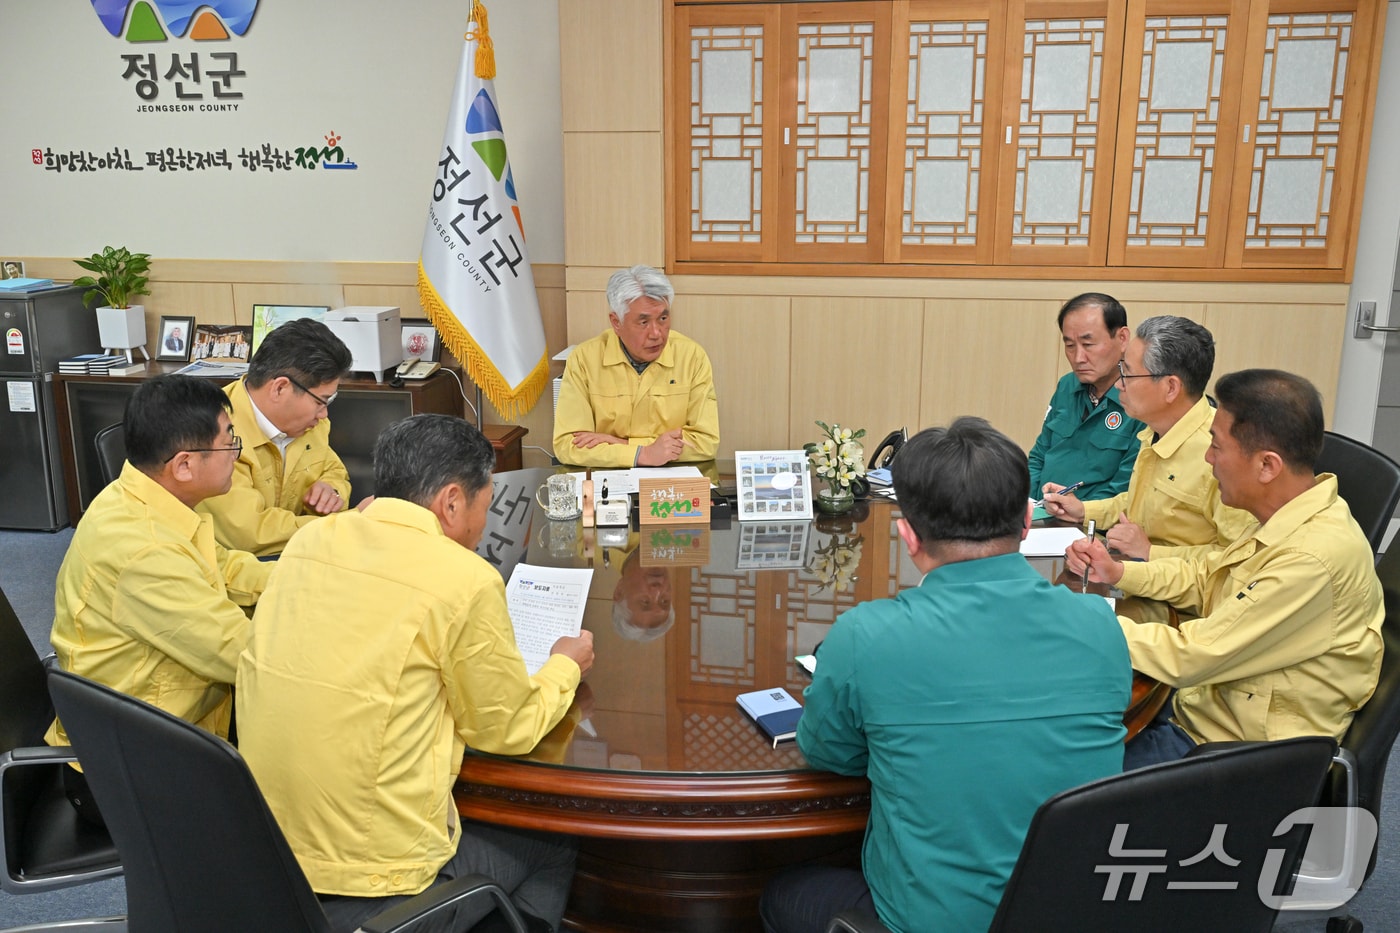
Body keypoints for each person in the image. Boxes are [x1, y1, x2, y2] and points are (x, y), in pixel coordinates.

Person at [760, 418, 1130, 933]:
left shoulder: (866, 637)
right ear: (1026, 521)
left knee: (783, 891)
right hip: (1073, 912)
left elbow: (829, 754)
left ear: (907, 535)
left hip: (931, 922)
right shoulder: (1099, 625)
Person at [236, 415, 595, 933]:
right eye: (484, 506)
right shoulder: (463, 577)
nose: (482, 526)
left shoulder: (310, 543)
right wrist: (565, 664)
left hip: (268, 858)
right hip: (378, 883)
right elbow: (506, 729)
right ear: (451, 501)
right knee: (552, 840)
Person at [1067, 370, 1384, 769]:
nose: (1207, 457)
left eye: (1217, 446)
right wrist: (1120, 573)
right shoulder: (1287, 514)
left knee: (1061, 772)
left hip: (1235, 755)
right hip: (1207, 702)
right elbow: (1208, 573)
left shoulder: (1310, 559)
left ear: (1267, 466)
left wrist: (1077, 619)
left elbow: (1191, 656)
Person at [47, 375, 269, 825]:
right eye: (230, 444)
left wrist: (309, 577)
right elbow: (245, 654)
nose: (237, 454)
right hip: (127, 769)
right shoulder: (143, 550)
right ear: (184, 464)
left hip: (160, 730)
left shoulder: (141, 496)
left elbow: (224, 567)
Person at [1042, 315, 1252, 559]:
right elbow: (1140, 504)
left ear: (1170, 388)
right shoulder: (1155, 430)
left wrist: (1152, 552)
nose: (1119, 384)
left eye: (1127, 374)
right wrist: (1083, 511)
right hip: (1135, 576)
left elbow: (1239, 557)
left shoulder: (1221, 454)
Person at [197, 318, 353, 556]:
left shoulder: (312, 424)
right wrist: (346, 525)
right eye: (320, 401)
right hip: (232, 573)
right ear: (280, 388)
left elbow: (334, 470)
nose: (325, 413)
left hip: (297, 554)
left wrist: (332, 491)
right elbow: (249, 534)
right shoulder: (214, 434)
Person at [553, 264, 719, 468]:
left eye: (663, 319)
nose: (656, 333)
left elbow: (706, 443)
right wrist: (644, 453)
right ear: (616, 322)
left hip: (671, 486)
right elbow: (567, 445)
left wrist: (625, 445)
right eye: (643, 322)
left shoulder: (692, 357)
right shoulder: (584, 359)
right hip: (608, 484)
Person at [1028, 292, 1144, 501]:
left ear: (1122, 338)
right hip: (1042, 514)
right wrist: (1031, 505)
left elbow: (1127, 488)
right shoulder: (1067, 385)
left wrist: (1076, 510)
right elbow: (1039, 456)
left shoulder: (1141, 398)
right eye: (1070, 346)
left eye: (1088, 344)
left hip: (1095, 526)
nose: (1078, 358)